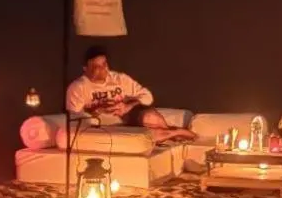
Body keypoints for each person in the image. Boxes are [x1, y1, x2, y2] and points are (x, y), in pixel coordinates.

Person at [65, 45, 197, 142]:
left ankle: (169, 132)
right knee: (147, 135)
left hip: (129, 117)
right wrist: (97, 110)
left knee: (150, 117)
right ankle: (176, 132)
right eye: (97, 67)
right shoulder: (78, 88)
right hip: (106, 124)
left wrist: (127, 106)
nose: (103, 70)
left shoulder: (119, 79)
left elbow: (147, 96)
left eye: (105, 64)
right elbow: (74, 117)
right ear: (85, 69)